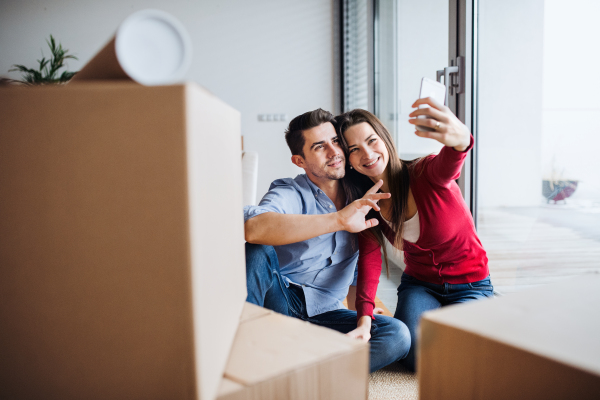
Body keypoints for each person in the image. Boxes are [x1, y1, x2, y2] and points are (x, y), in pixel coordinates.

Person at [243, 108, 411, 373]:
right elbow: (253, 228)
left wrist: (362, 316)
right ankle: (246, 351)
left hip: (327, 315)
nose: (334, 153)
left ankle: (302, 374)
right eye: (320, 147)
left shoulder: (362, 195)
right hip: (279, 305)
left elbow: (359, 268)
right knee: (256, 250)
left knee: (397, 335)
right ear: (299, 161)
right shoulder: (289, 191)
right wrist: (339, 220)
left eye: (336, 142)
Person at [336, 98, 494, 372]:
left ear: (385, 139)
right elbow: (369, 262)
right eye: (354, 149)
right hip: (420, 285)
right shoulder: (367, 202)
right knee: (413, 358)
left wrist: (460, 139)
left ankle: (485, 313)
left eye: (372, 141)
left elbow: (451, 160)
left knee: (472, 358)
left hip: (470, 285)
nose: (367, 154)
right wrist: (364, 317)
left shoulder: (425, 172)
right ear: (349, 160)